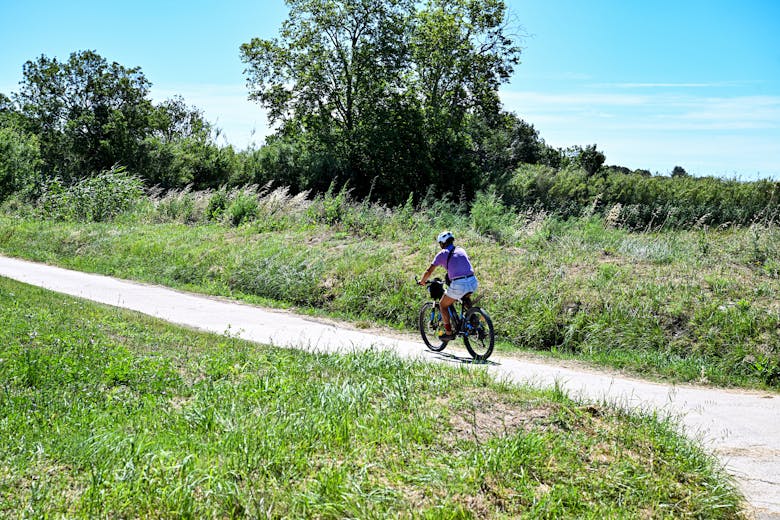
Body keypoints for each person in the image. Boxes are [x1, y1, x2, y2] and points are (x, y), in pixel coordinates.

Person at [418, 231, 478, 341]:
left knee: (443, 305)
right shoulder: (461, 250)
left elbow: (429, 271)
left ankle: (449, 332)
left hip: (459, 284)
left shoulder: (442, 254)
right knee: (464, 297)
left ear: (442, 243)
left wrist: (422, 281)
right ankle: (473, 319)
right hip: (473, 281)